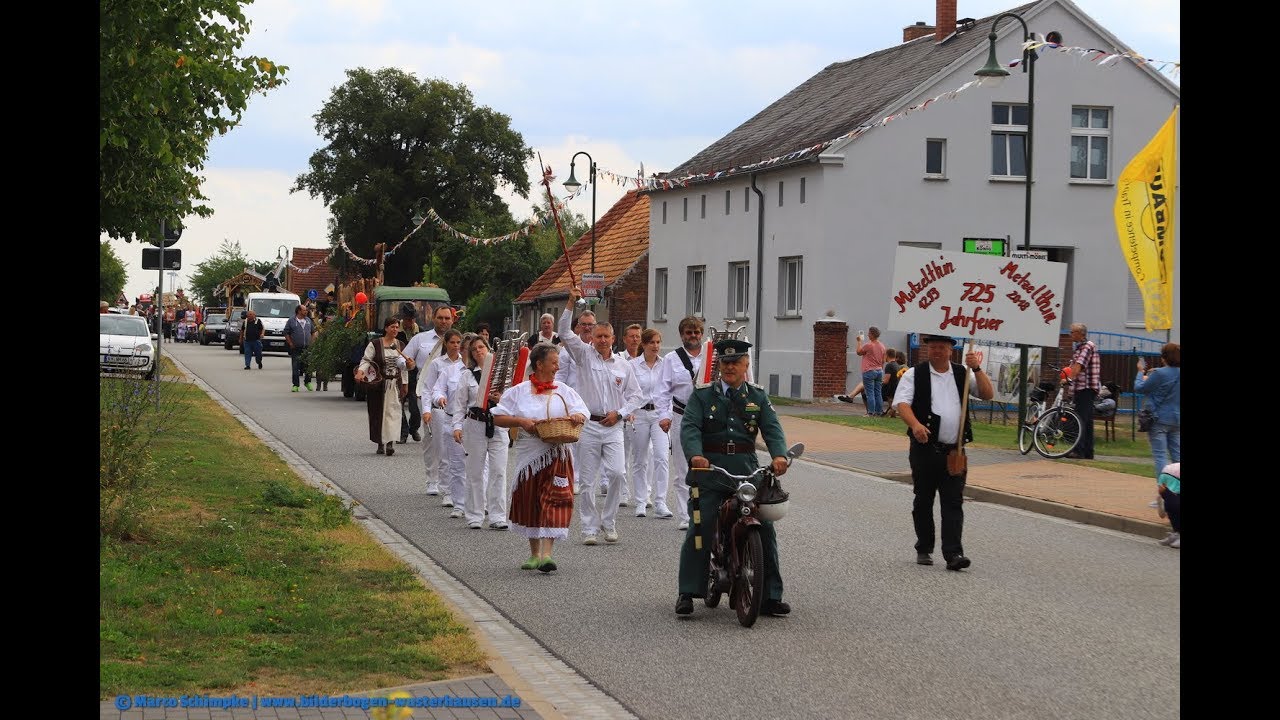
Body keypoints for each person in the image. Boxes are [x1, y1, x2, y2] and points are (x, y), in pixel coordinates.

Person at [675, 338, 791, 617]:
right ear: (719, 366)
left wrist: (779, 456)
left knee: (765, 529)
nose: (729, 368)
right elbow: (689, 427)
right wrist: (695, 455)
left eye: (735, 363)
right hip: (711, 471)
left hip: (746, 472)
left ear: (745, 365)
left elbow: (772, 429)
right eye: (724, 363)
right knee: (701, 527)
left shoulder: (757, 396)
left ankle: (769, 596)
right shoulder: (702, 396)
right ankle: (688, 591)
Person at [894, 333, 994, 571]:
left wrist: (977, 368)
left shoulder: (962, 373)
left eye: (942, 347)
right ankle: (924, 547)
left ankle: (954, 553)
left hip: (954, 450)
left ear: (951, 350)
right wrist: (915, 425)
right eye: (933, 347)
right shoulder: (914, 374)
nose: (937, 351)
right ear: (928, 350)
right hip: (925, 449)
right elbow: (902, 404)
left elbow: (988, 394)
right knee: (923, 499)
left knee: (953, 502)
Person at [491, 343, 589, 572]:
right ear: (539, 364)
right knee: (532, 501)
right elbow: (498, 417)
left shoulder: (563, 390)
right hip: (530, 454)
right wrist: (521, 422)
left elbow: (583, 411)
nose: (557, 366)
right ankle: (534, 554)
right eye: (553, 362)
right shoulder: (519, 391)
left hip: (557, 453)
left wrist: (575, 416)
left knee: (554, 500)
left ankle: (547, 555)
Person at [558, 287, 641, 545]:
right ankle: (589, 529)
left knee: (617, 474)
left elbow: (637, 396)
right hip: (589, 426)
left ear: (613, 339)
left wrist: (621, 413)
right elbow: (563, 331)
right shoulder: (582, 355)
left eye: (606, 336)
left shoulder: (623, 366)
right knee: (587, 480)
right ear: (592, 338)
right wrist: (571, 302)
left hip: (613, 426)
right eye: (598, 336)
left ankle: (609, 521)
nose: (602, 340)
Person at [448, 335, 510, 530]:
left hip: (498, 424)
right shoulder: (468, 376)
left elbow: (513, 400)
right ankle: (475, 515)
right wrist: (457, 427)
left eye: (481, 347)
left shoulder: (502, 375)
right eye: (474, 349)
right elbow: (460, 405)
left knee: (498, 471)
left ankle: (497, 516)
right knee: (475, 471)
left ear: (488, 349)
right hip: (475, 423)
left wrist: (501, 399)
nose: (479, 351)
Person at [654, 315, 706, 528]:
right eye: (688, 332)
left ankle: (706, 512)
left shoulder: (712, 356)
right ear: (682, 335)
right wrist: (664, 416)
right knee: (683, 467)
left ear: (701, 334)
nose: (693, 336)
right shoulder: (671, 359)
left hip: (708, 418)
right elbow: (662, 391)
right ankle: (686, 517)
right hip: (681, 415)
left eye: (696, 332)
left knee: (709, 466)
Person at [404, 305, 455, 494]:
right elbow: (404, 360)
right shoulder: (420, 339)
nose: (444, 321)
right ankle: (432, 480)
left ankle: (450, 480)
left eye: (447, 318)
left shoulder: (458, 340)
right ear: (433, 318)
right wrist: (407, 364)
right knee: (433, 436)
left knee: (452, 436)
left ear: (452, 320)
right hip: (425, 393)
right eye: (440, 318)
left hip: (454, 395)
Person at [629, 328, 669, 519]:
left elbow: (670, 390)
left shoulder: (665, 364)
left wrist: (668, 414)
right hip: (639, 414)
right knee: (640, 459)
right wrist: (628, 411)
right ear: (643, 344)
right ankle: (640, 501)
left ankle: (660, 501)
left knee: (661, 456)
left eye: (658, 342)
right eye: (651, 342)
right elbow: (627, 391)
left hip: (659, 414)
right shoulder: (633, 365)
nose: (655, 346)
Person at [427, 329, 467, 516]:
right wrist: (431, 406)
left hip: (467, 418)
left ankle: (466, 494)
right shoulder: (438, 364)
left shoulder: (466, 365)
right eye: (453, 342)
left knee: (465, 459)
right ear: (446, 344)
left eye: (459, 343)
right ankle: (448, 492)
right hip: (445, 413)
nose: (456, 346)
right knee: (445, 455)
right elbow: (431, 389)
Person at [1134, 342, 1180, 502]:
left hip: (1159, 419)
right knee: (1177, 458)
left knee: (1161, 456)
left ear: (1164, 357)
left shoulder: (1160, 374)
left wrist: (1140, 372)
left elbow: (1140, 388)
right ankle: (1177, 494)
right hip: (1177, 419)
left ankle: (1164, 496)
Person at [356, 317, 409, 456]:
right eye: (392, 327)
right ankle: (381, 442)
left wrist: (405, 384)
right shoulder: (375, 344)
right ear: (386, 328)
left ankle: (390, 442)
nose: (395, 329)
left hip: (395, 384)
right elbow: (366, 359)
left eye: (397, 327)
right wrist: (361, 372)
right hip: (379, 384)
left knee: (394, 413)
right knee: (379, 413)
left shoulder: (401, 345)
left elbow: (403, 367)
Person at [1065, 322, 1102, 460]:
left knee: (1079, 419)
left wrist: (1068, 380)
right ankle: (1088, 451)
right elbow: (1074, 365)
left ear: (1081, 333)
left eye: (1072, 332)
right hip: (1084, 388)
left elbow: (1079, 365)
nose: (1070, 335)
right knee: (1087, 421)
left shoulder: (1087, 346)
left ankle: (1078, 451)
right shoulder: (1080, 347)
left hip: (1086, 388)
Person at [619, 323, 644, 508]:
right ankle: (623, 492)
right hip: (624, 412)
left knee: (645, 455)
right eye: (632, 336)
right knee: (623, 455)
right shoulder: (620, 359)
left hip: (643, 412)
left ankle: (645, 493)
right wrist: (626, 411)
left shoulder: (647, 359)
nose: (635, 339)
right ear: (624, 339)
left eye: (638, 336)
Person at [395, 304, 421, 443]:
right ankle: (403, 433)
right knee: (399, 404)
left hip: (416, 374)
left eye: (412, 319)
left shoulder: (420, 333)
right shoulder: (395, 332)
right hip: (399, 372)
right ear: (403, 319)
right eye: (407, 319)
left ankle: (414, 428)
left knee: (415, 407)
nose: (410, 322)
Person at [855, 327, 887, 416]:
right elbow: (883, 361)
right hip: (879, 371)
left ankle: (871, 412)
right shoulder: (882, 346)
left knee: (870, 393)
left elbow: (858, 352)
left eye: (869, 333)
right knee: (878, 392)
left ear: (872, 334)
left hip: (869, 371)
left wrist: (859, 342)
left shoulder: (869, 345)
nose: (868, 334)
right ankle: (879, 412)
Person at [284, 304, 315, 392]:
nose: (306, 311)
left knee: (308, 366)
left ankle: (307, 382)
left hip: (307, 348)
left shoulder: (308, 320)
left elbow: (313, 332)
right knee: (295, 366)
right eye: (304, 310)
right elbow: (286, 333)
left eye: (306, 310)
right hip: (296, 348)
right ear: (299, 311)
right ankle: (295, 385)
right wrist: (290, 343)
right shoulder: (291, 321)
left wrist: (312, 342)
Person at [1155, 462, 1180, 549]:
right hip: (1169, 473)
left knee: (1174, 505)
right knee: (1172, 506)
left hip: (1170, 473)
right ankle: (1177, 533)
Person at [882, 348, 904, 418]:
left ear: (887, 355)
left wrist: (878, 382)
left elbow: (886, 381)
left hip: (890, 389)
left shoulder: (889, 365)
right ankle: (892, 415)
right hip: (896, 387)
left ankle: (878, 412)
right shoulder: (897, 365)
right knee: (892, 405)